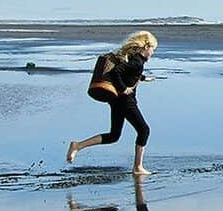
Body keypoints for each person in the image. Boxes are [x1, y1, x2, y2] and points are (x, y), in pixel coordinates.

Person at [67, 30, 158, 176]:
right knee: (144, 130)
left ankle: (77, 145)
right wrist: (124, 88)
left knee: (114, 135)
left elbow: (128, 73)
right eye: (153, 49)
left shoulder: (133, 59)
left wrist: (143, 78)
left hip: (116, 100)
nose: (153, 52)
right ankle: (138, 167)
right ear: (146, 47)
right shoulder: (137, 61)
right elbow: (115, 72)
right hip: (125, 101)